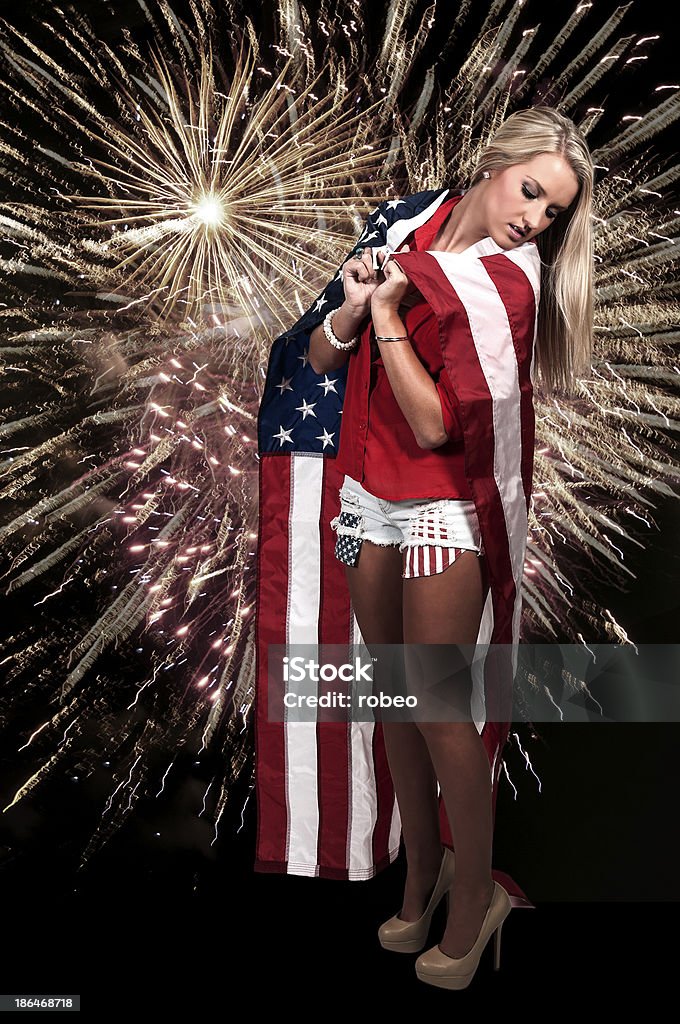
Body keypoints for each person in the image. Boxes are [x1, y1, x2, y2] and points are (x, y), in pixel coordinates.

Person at [304, 106, 594, 989]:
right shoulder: (404, 227)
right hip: (367, 497)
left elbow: (433, 426)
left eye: (553, 213)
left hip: (442, 511)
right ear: (494, 165)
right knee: (390, 697)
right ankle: (421, 873)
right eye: (530, 192)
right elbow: (319, 360)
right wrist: (356, 307)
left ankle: (475, 898)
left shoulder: (508, 283)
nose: (534, 219)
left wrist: (388, 313)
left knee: (438, 710)